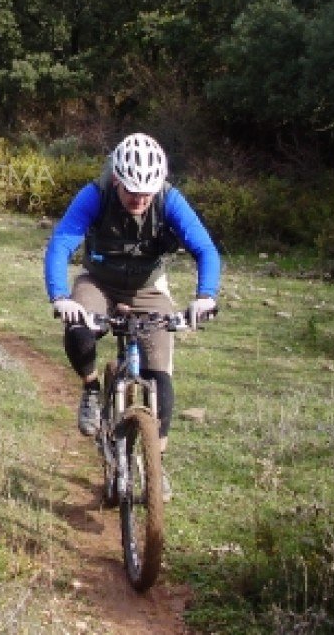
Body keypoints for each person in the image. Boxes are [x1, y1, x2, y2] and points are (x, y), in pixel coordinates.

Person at [43, 132, 220, 501]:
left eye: (147, 193)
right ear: (118, 180)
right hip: (99, 282)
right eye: (131, 192)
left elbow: (204, 248)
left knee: (162, 380)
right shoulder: (95, 194)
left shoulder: (169, 199)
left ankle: (157, 464)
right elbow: (61, 242)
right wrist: (60, 296)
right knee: (78, 330)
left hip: (147, 287)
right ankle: (92, 388)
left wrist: (205, 297)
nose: (139, 200)